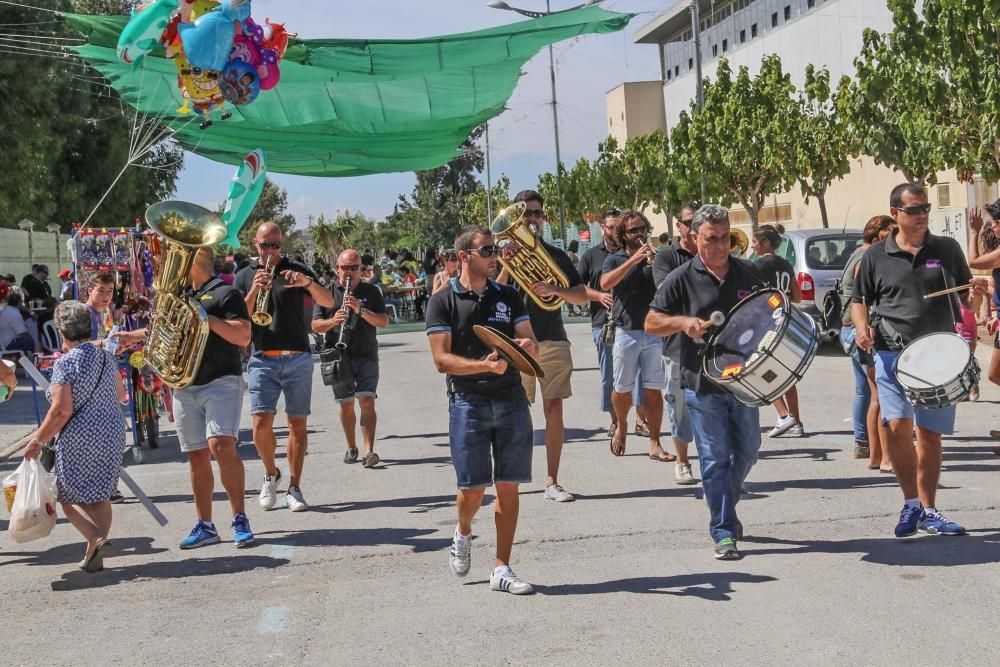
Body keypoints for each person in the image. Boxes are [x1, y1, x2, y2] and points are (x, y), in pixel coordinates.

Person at [852, 183, 987, 538]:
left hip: (937, 355)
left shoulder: (945, 249)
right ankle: (910, 504)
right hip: (891, 352)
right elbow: (858, 300)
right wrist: (862, 326)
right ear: (895, 212)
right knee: (897, 427)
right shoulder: (875, 256)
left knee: (929, 434)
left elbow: (966, 305)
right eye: (913, 210)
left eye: (925, 208)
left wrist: (974, 297)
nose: (922, 215)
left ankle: (929, 509)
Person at [645, 204, 766, 560]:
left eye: (725, 238)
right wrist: (683, 323)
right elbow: (651, 322)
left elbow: (768, 315)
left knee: (747, 451)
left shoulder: (748, 273)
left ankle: (726, 506)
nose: (718, 246)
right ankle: (724, 529)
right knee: (714, 459)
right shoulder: (681, 277)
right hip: (702, 382)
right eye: (710, 239)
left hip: (745, 382)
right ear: (695, 238)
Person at [115, 248, 254, 549]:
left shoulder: (225, 293)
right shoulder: (178, 294)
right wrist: (133, 337)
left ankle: (240, 517)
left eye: (177, 257)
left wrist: (205, 317)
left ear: (192, 261)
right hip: (185, 384)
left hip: (222, 381)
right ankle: (205, 525)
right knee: (196, 454)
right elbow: (161, 328)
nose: (169, 264)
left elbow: (243, 336)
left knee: (221, 444)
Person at [425, 224, 538, 595]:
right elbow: (441, 361)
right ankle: (463, 531)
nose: (495, 257)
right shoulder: (442, 300)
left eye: (496, 250)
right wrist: (483, 367)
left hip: (510, 399)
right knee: (472, 490)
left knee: (508, 486)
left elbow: (530, 341)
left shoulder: (508, 295)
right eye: (487, 251)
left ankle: (502, 567)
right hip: (467, 401)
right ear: (464, 257)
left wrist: (525, 346)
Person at [234, 222, 335, 513]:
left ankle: (294, 486)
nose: (271, 251)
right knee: (260, 423)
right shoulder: (244, 274)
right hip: (263, 356)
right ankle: (270, 473)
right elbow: (241, 316)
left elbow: (328, 301)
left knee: (297, 424)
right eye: (265, 245)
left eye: (276, 245)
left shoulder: (296, 268)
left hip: (298, 355)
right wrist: (255, 288)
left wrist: (307, 283)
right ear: (255, 244)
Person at [496, 190, 588, 502]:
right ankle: (515, 478)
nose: (532, 220)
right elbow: (494, 294)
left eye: (536, 214)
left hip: (553, 337)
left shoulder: (556, 255)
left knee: (554, 407)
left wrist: (552, 289)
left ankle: (552, 481)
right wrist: (507, 266)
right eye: (526, 215)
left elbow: (580, 296)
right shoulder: (504, 259)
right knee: (517, 412)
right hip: (519, 342)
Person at [22, 301, 127, 573]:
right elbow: (119, 394)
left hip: (80, 434)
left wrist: (38, 440)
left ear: (61, 331)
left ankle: (95, 539)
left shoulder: (66, 363)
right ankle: (94, 553)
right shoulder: (106, 356)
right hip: (112, 429)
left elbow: (61, 411)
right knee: (101, 494)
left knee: (67, 495)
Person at [600, 211, 669, 462]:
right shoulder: (614, 259)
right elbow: (606, 283)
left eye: (642, 229)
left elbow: (667, 286)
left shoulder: (656, 258)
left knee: (653, 389)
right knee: (621, 389)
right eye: (633, 231)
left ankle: (655, 442)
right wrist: (633, 260)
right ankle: (621, 425)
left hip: (653, 331)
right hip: (626, 330)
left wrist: (653, 262)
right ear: (622, 234)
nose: (639, 234)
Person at [313, 249, 389, 468]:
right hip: (338, 356)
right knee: (346, 405)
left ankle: (369, 451)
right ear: (337, 268)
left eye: (354, 268)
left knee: (367, 400)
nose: (349, 272)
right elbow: (315, 325)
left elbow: (383, 322)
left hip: (366, 354)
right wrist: (334, 320)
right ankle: (351, 447)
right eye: (344, 268)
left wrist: (360, 309)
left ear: (361, 269)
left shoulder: (371, 291)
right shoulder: (327, 292)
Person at [650, 205, 700, 484]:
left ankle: (715, 464)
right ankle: (683, 462)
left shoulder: (714, 256)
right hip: (677, 345)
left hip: (712, 346)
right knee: (678, 406)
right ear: (678, 226)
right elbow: (665, 292)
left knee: (712, 406)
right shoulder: (666, 257)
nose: (693, 228)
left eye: (697, 223)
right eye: (688, 223)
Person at [840, 215, 894, 471]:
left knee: (868, 392)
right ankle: (879, 454)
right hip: (862, 330)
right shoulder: (867, 258)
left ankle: (868, 449)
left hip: (853, 329)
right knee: (879, 396)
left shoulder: (858, 253)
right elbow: (862, 298)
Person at [750, 225, 805, 437]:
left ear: (765, 243)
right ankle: (797, 422)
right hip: (786, 320)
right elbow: (798, 297)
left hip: (766, 322)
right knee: (787, 373)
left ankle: (784, 416)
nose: (753, 246)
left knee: (765, 371)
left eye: (754, 242)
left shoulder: (756, 266)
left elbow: (753, 297)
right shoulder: (786, 264)